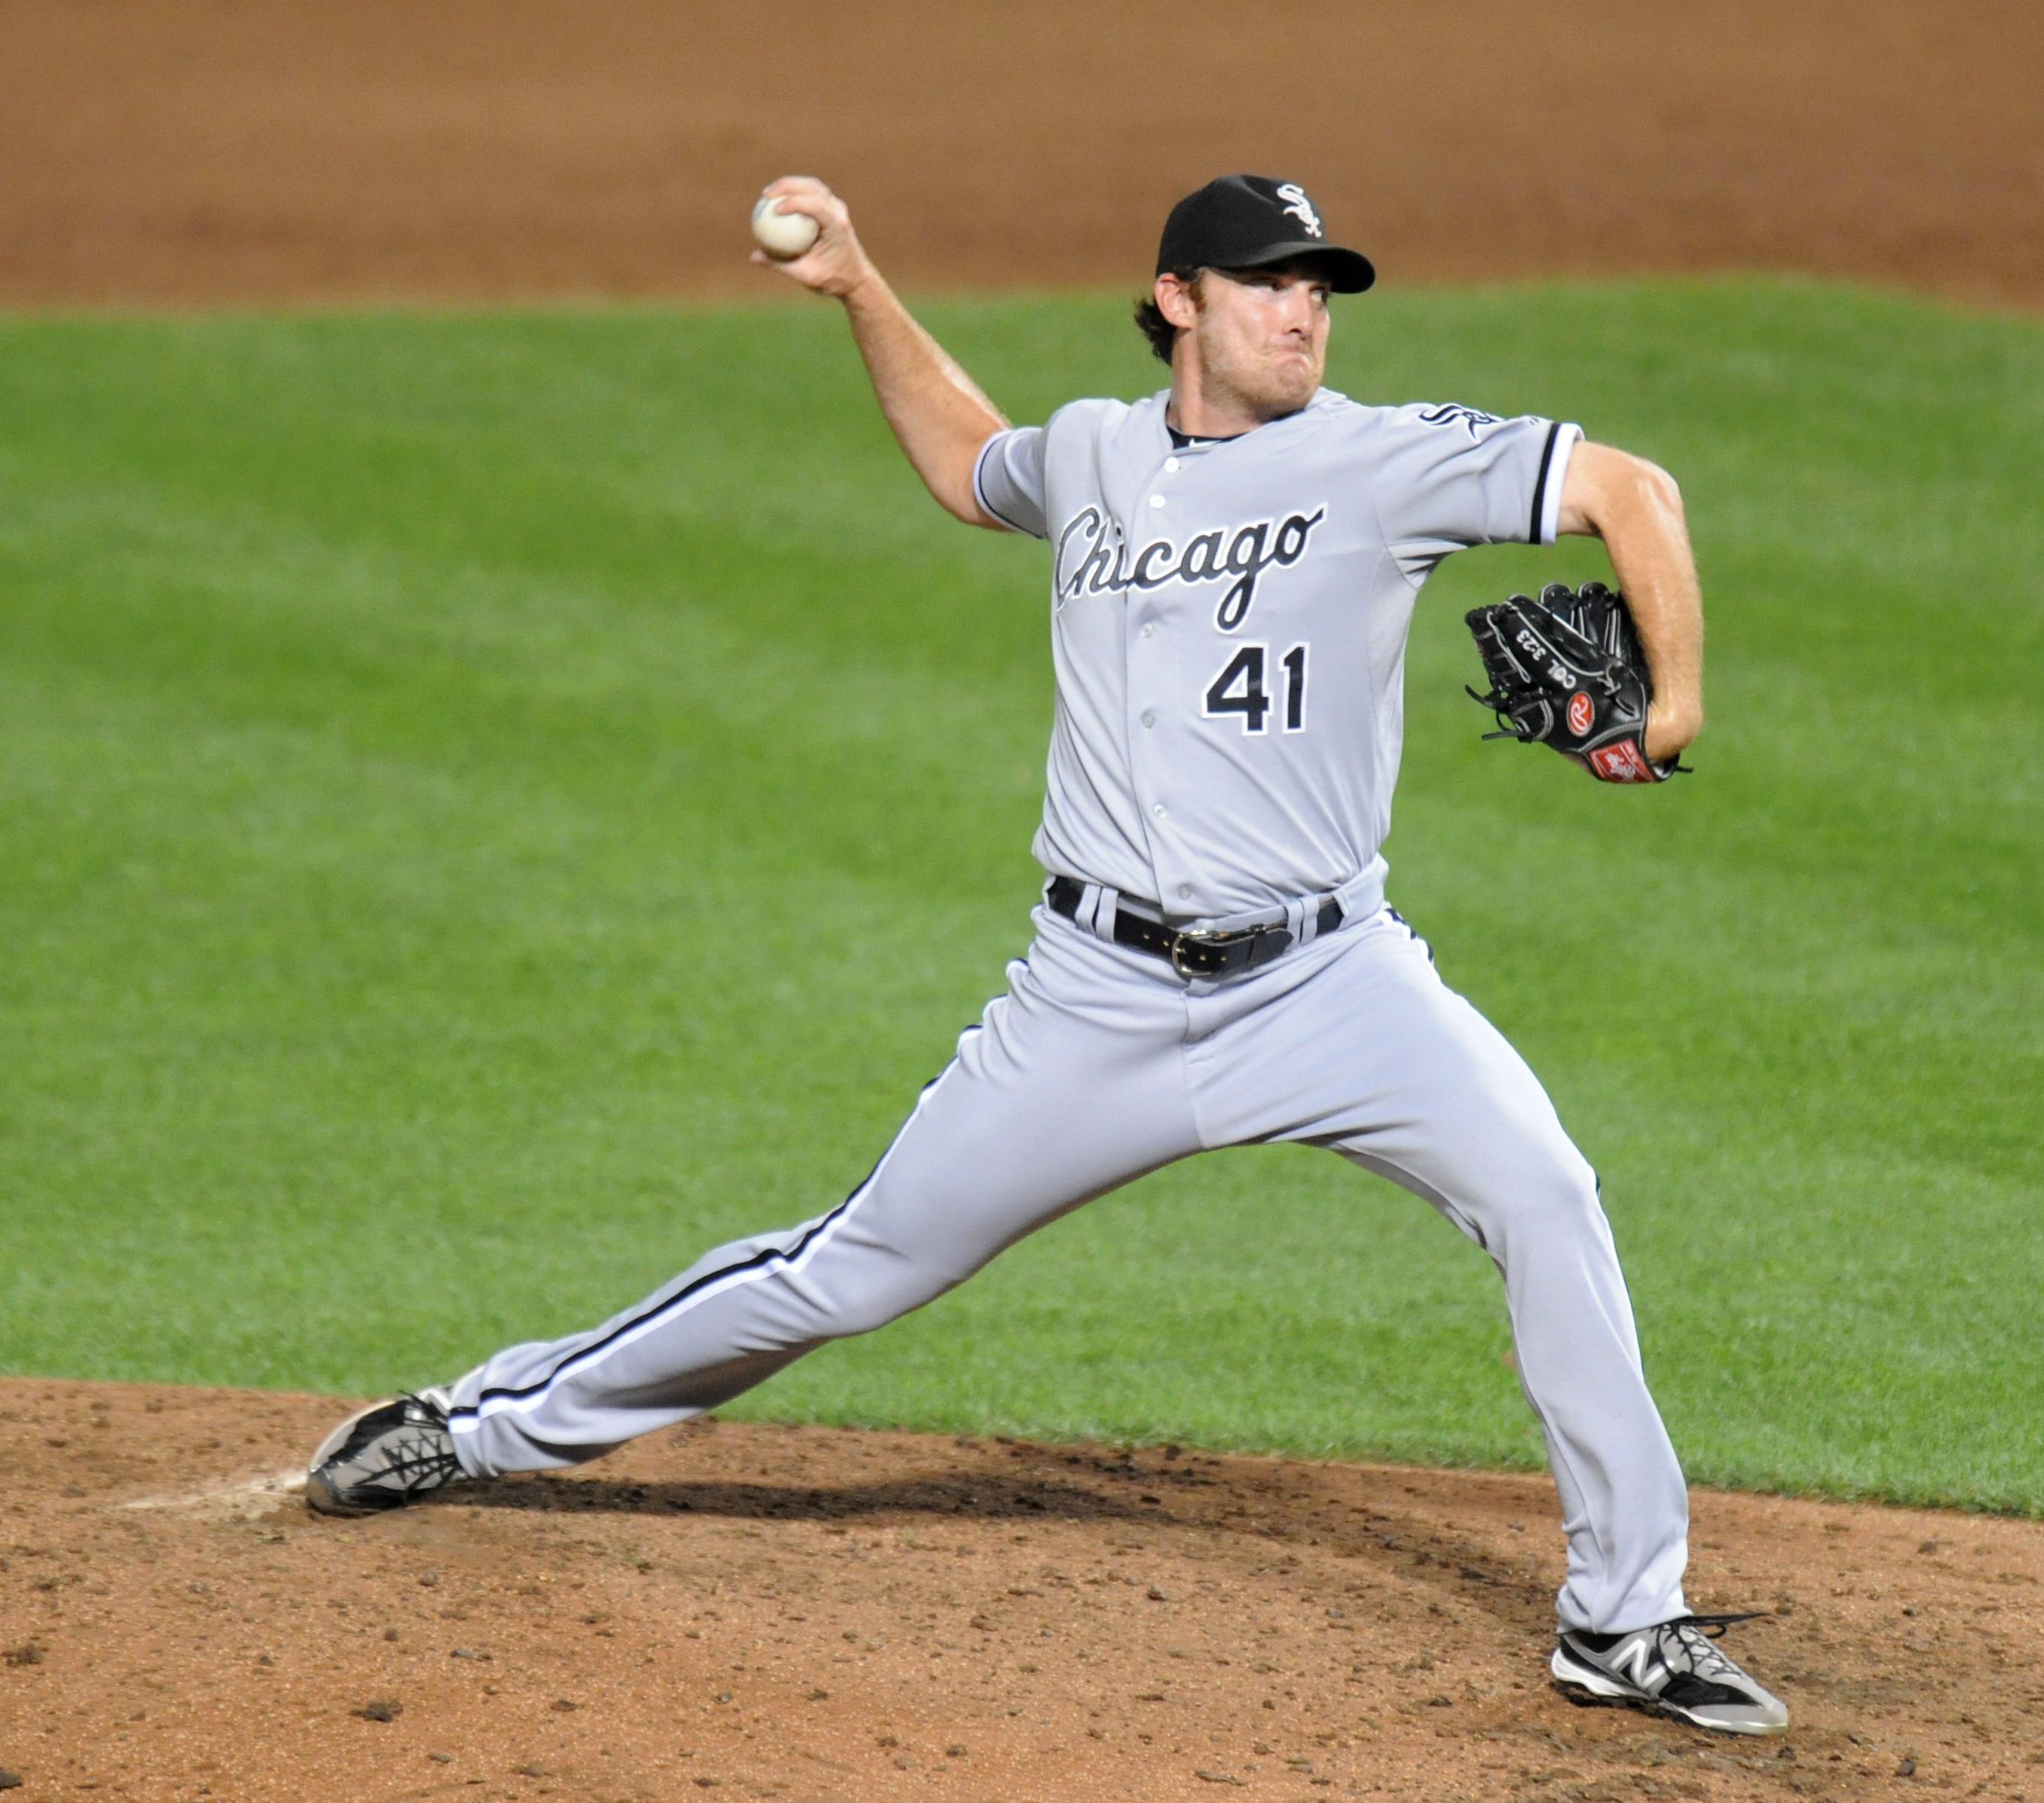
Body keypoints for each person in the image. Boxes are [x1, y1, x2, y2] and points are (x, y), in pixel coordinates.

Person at [305, 172, 1786, 1737]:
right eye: (1268, 282)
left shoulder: (1384, 458)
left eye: (1321, 287)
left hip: (1333, 984)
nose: (1303, 311)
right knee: (856, 1268)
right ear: (1178, 302)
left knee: (1546, 1193)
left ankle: (1627, 1617)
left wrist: (1673, 701)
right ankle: (476, 1428)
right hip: (1096, 999)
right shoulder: (1090, 453)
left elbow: (1636, 491)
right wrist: (863, 287)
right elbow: (965, 464)